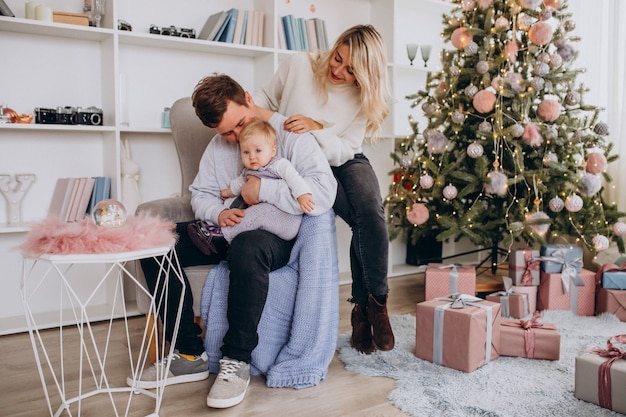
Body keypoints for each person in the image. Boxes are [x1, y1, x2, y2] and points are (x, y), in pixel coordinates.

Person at [129, 74, 337, 409]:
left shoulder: (290, 134)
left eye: (240, 124)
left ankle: (235, 362)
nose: (236, 137)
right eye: (227, 132)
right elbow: (201, 195)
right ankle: (188, 354)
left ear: (247, 97)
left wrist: (262, 190)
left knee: (247, 246)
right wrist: (217, 213)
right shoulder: (218, 147)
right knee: (155, 241)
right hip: (225, 227)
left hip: (271, 234)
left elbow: (323, 193)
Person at [253, 24, 394, 354]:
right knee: (358, 220)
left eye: (351, 71)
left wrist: (317, 129)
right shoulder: (299, 63)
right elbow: (264, 99)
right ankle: (361, 311)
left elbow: (346, 147)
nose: (338, 71)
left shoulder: (362, 95)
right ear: (335, 46)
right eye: (338, 58)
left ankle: (375, 306)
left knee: (371, 213)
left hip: (341, 156)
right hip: (305, 161)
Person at [187, 118, 315, 253]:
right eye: (246, 152)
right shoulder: (248, 171)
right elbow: (240, 184)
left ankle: (221, 237)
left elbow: (295, 179)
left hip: (286, 220)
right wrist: (228, 192)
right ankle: (215, 232)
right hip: (263, 224)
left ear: (272, 151)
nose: (252, 157)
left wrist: (302, 195)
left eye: (258, 151)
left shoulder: (279, 165)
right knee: (247, 214)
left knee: (259, 211)